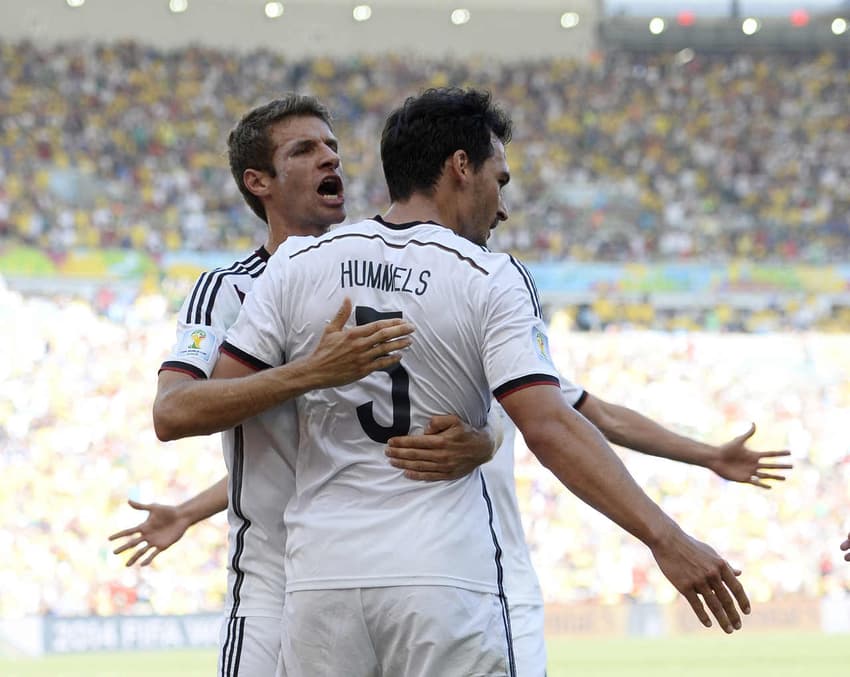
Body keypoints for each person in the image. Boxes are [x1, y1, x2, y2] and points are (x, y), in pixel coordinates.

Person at [209, 87, 750, 677]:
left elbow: (210, 399)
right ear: (460, 168)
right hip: (438, 580)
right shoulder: (488, 275)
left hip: (320, 583)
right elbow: (549, 426)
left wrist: (311, 375)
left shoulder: (299, 262)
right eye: (501, 179)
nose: (502, 205)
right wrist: (665, 537)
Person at [112, 95, 494, 677]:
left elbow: (316, 439)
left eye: (333, 148)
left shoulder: (370, 275)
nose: (330, 160)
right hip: (274, 586)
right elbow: (174, 411)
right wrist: (311, 371)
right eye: (305, 150)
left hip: (371, 573)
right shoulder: (228, 290)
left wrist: (482, 442)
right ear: (258, 181)